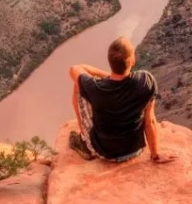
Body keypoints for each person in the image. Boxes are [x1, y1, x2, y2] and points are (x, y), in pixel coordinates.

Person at [67, 36, 173, 164]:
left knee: (78, 86)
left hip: (105, 153)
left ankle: (83, 139)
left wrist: (107, 77)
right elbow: (149, 121)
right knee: (83, 85)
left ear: (110, 62)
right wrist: (155, 155)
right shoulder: (146, 81)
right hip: (135, 149)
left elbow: (74, 68)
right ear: (132, 61)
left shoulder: (96, 88)